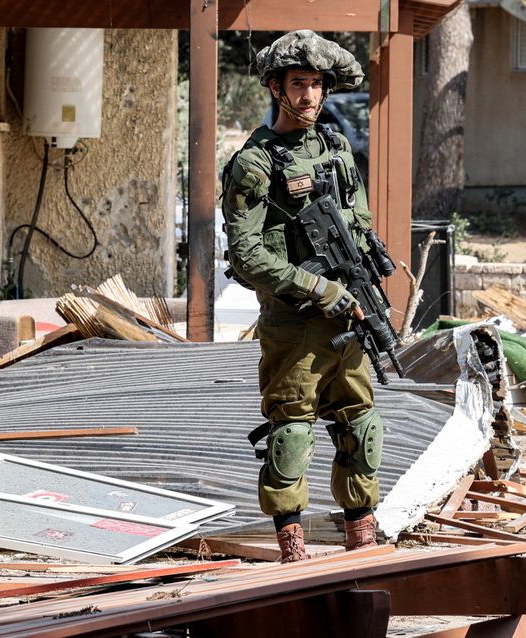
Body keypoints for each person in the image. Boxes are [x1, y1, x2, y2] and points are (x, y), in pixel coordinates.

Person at [221, 30, 384, 563]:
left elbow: (357, 222)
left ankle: (362, 536)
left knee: (360, 422)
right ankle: (292, 547)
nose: (311, 96)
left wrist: (360, 282)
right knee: (292, 428)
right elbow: (246, 255)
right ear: (275, 87)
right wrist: (318, 287)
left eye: (318, 85)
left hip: (348, 312)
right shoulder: (255, 163)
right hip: (296, 322)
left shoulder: (335, 149)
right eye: (299, 84)